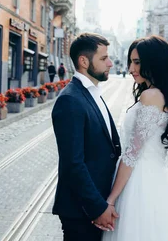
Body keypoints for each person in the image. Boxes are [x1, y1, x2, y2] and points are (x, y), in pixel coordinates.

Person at [102, 35, 168, 241]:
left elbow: (132, 154)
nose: (131, 68)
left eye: (137, 62)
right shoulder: (163, 94)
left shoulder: (150, 96)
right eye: (130, 62)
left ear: (155, 62)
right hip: (156, 179)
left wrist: (111, 199)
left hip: (138, 182)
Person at [52, 33, 121, 241]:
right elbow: (73, 164)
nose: (110, 63)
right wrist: (98, 208)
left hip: (96, 203)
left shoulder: (92, 93)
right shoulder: (70, 100)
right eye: (103, 58)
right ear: (83, 61)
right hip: (81, 211)